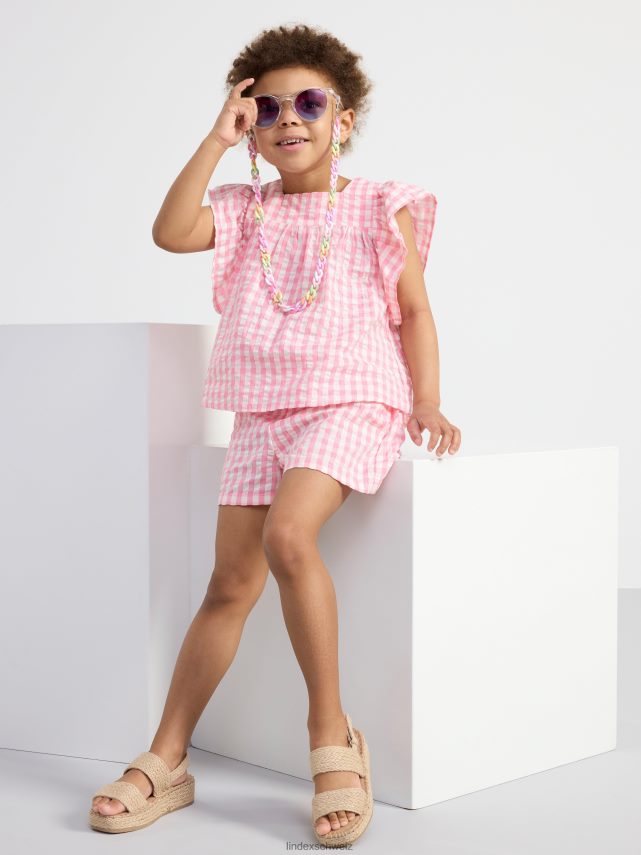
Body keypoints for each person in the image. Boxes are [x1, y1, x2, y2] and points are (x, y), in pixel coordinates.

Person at [89, 23, 461, 847]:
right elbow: (169, 232)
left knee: (290, 535)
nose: (288, 118)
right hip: (262, 410)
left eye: (308, 103)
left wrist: (427, 399)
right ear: (249, 123)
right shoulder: (243, 207)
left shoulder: (378, 204)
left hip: (351, 400)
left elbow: (414, 310)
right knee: (229, 583)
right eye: (266, 108)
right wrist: (214, 142)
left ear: (343, 119)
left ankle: (332, 734)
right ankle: (167, 755)